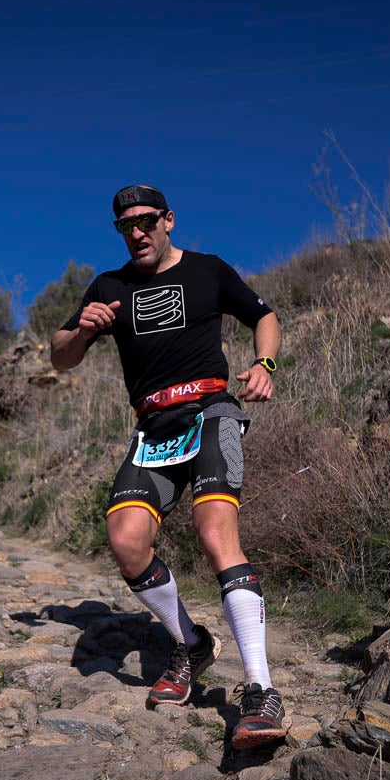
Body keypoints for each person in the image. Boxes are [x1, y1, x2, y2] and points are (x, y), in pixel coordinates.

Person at [50, 184, 288, 749]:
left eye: (146, 220)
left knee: (214, 531)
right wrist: (83, 328)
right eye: (125, 225)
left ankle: (261, 690)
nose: (136, 231)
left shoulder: (208, 270)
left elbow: (265, 315)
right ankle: (192, 643)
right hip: (152, 427)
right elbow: (59, 356)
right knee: (126, 539)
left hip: (211, 409)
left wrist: (265, 362)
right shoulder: (109, 288)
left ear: (169, 220)